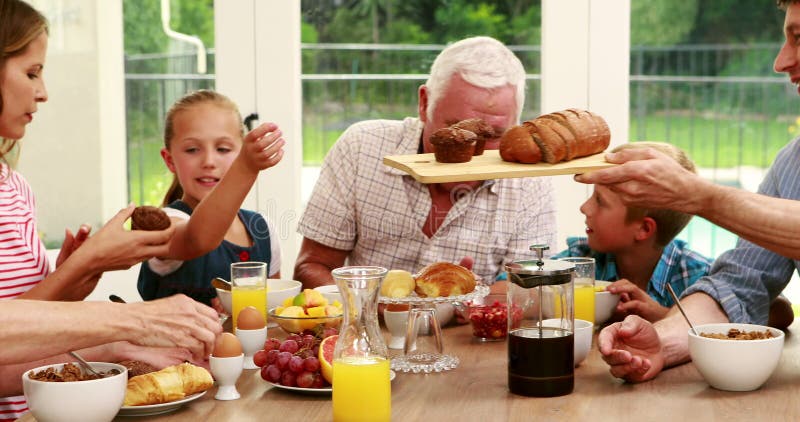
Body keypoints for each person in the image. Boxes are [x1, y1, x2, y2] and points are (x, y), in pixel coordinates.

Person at [0, 0, 220, 416]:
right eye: (31, 73)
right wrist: (135, 321)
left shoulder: (15, 187)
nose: (43, 92)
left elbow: (22, 335)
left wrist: (78, 275)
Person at [576, 0, 800, 383]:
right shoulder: (792, 164)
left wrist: (697, 195)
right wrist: (661, 341)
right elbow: (738, 288)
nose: (781, 61)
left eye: (799, 38)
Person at [293, 36, 556, 289]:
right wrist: (372, 308)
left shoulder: (530, 184)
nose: (472, 152)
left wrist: (480, 304)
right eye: (458, 132)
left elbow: (532, 292)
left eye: (493, 136)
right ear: (424, 103)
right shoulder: (362, 148)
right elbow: (312, 267)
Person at [137, 89, 284, 310]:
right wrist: (245, 168)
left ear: (240, 151)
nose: (208, 161)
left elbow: (275, 312)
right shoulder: (167, 223)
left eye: (223, 149)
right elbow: (197, 239)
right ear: (170, 160)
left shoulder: (263, 229)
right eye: (192, 149)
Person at [553, 142, 711, 322]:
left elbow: (720, 335)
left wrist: (663, 317)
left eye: (600, 201)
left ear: (644, 229)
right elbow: (525, 289)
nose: (584, 208)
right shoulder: (581, 259)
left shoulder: (700, 277)